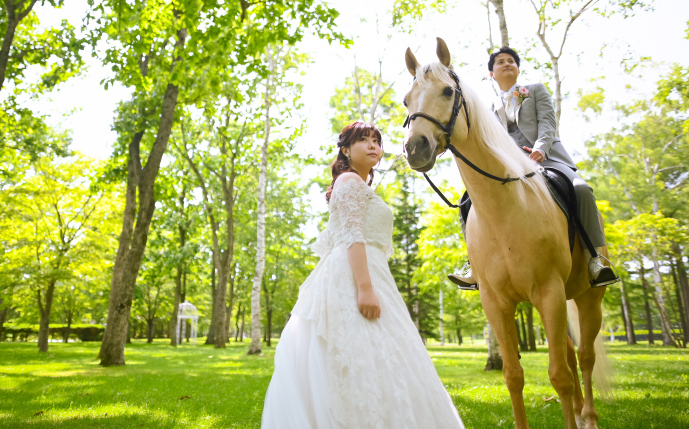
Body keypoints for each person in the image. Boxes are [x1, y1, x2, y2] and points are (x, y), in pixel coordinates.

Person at [261, 121, 464, 429]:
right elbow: (352, 236)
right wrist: (365, 289)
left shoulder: (357, 184)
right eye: (364, 140)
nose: (373, 146)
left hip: (370, 270)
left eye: (376, 141)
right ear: (345, 150)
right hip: (358, 275)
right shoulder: (350, 182)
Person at [447, 47, 620, 290]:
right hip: (509, 169)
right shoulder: (487, 110)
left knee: (581, 189)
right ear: (491, 74)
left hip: (547, 160)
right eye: (500, 62)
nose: (507, 64)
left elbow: (548, 123)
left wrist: (540, 149)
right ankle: (473, 265)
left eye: (511, 61)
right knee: (466, 201)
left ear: (518, 69)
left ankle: (595, 259)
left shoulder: (536, 90)